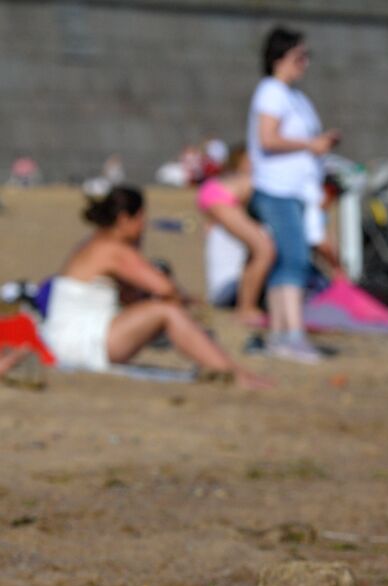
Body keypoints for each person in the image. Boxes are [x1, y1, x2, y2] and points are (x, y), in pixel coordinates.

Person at [44, 186, 269, 388]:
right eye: (141, 219)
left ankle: (228, 369)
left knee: (163, 309)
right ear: (125, 219)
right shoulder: (112, 249)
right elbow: (166, 289)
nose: (144, 227)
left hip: (71, 340)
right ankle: (231, 372)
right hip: (80, 344)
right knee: (167, 312)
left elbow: (135, 295)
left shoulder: (95, 243)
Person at [248, 25, 339, 363]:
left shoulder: (295, 96)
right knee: (296, 260)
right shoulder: (271, 91)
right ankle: (292, 334)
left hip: (296, 189)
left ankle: (282, 333)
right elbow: (268, 138)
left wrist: (321, 145)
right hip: (277, 189)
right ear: (280, 57)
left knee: (286, 261)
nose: (305, 63)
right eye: (300, 56)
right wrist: (310, 145)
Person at [198, 146, 274, 327]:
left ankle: (247, 306)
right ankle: (246, 309)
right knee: (264, 250)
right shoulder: (258, 179)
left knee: (259, 250)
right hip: (222, 198)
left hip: (218, 197)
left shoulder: (236, 181)